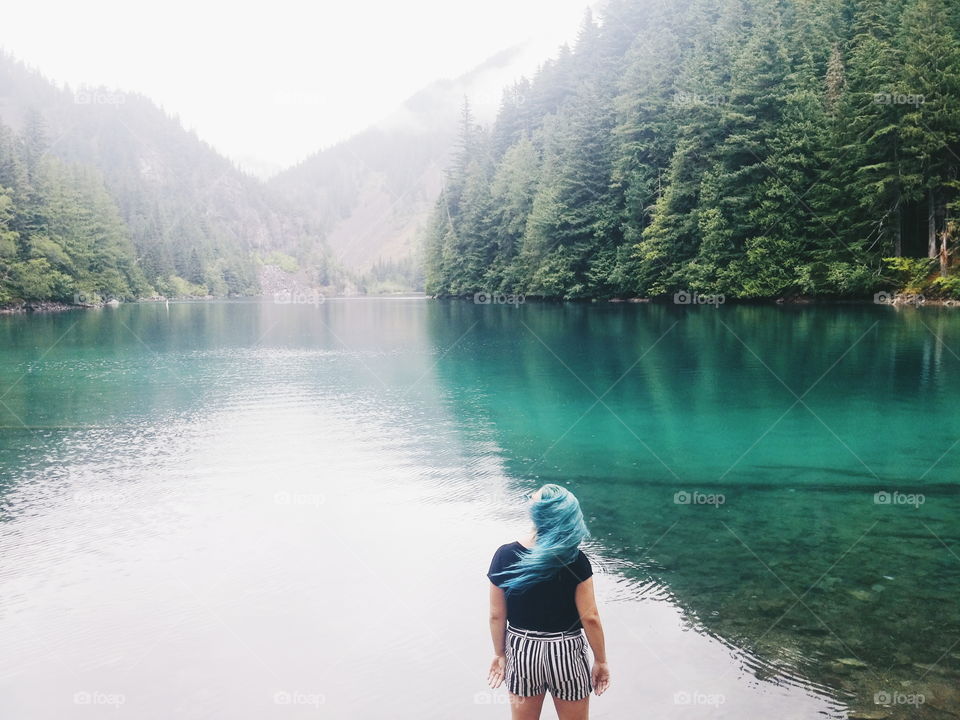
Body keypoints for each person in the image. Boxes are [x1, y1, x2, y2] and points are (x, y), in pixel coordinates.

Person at [486, 484, 610, 719]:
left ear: (535, 514)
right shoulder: (576, 560)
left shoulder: (504, 555)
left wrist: (499, 654)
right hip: (566, 651)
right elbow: (590, 617)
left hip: (523, 650)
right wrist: (601, 661)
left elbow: (496, 615)